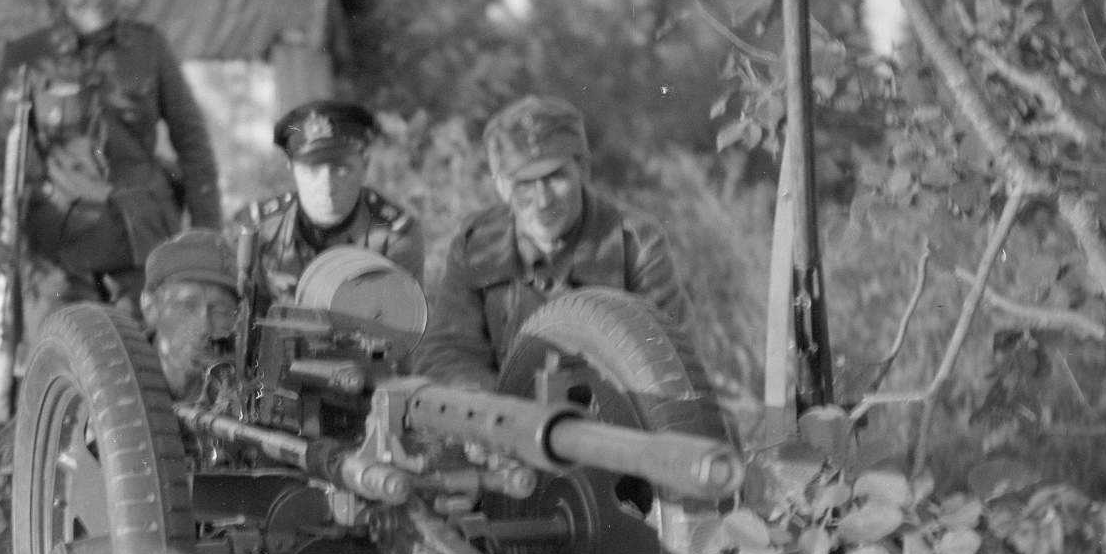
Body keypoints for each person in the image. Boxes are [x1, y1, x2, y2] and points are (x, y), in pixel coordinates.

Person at [0, 0, 222, 328]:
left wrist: (208, 231)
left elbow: (193, 144)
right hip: (61, 250)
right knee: (60, 369)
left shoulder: (148, 47)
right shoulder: (31, 58)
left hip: (141, 245)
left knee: (153, 368)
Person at [413, 95, 702, 391]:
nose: (542, 200)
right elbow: (447, 352)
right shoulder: (477, 244)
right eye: (524, 182)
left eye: (555, 177)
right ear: (501, 186)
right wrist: (494, 410)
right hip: (502, 422)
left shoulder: (636, 244)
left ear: (583, 171)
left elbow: (670, 365)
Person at [228, 100, 423, 307]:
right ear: (291, 168)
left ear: (364, 165)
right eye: (312, 170)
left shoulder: (394, 234)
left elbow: (401, 326)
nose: (327, 185)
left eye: (341, 169)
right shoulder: (255, 228)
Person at [139, 229, 240, 399]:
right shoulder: (110, 379)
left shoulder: (242, 391)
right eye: (187, 306)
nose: (204, 327)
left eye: (220, 310)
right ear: (150, 307)